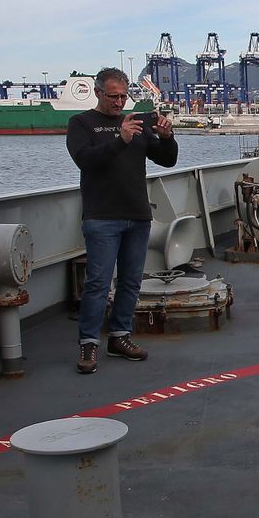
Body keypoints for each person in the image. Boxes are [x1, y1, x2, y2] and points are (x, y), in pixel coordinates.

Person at [66, 68, 177, 374]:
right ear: (98, 93)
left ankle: (120, 337)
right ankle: (88, 344)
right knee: (98, 283)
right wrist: (121, 140)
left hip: (137, 215)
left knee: (131, 281)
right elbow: (85, 160)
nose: (118, 102)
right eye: (113, 96)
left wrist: (167, 137)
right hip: (101, 216)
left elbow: (167, 159)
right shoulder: (81, 123)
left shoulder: (139, 124)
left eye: (123, 96)